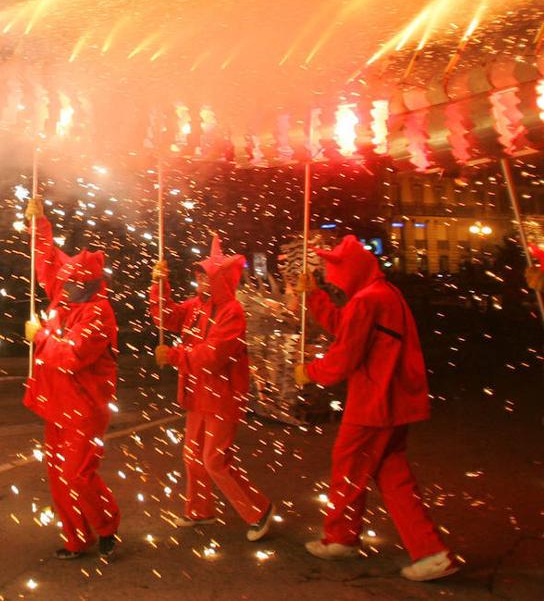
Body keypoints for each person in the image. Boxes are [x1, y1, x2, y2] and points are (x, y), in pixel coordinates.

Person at [292, 234, 458, 582]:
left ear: (349, 270)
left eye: (334, 272)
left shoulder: (368, 300)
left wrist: (309, 372)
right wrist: (315, 297)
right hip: (395, 400)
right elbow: (346, 327)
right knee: (393, 477)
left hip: (375, 402)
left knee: (347, 466)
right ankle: (432, 552)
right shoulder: (381, 294)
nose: (332, 278)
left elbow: (345, 356)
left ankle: (341, 538)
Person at [150, 235, 275, 542]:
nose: (199, 278)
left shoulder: (232, 312)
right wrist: (159, 285)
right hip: (198, 394)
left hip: (223, 396)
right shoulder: (196, 306)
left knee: (214, 460)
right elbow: (166, 317)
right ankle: (200, 509)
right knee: (192, 456)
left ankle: (259, 510)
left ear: (220, 280)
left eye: (205, 274)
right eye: (198, 273)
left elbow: (213, 356)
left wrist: (176, 356)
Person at [22, 197, 121, 559]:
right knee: (58, 475)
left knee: (78, 474)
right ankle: (76, 538)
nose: (59, 286)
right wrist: (40, 224)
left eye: (69, 282)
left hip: (85, 407)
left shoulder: (99, 313)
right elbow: (48, 260)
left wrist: (41, 337)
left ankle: (108, 524)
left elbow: (73, 355)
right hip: (57, 402)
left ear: (88, 283)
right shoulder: (67, 297)